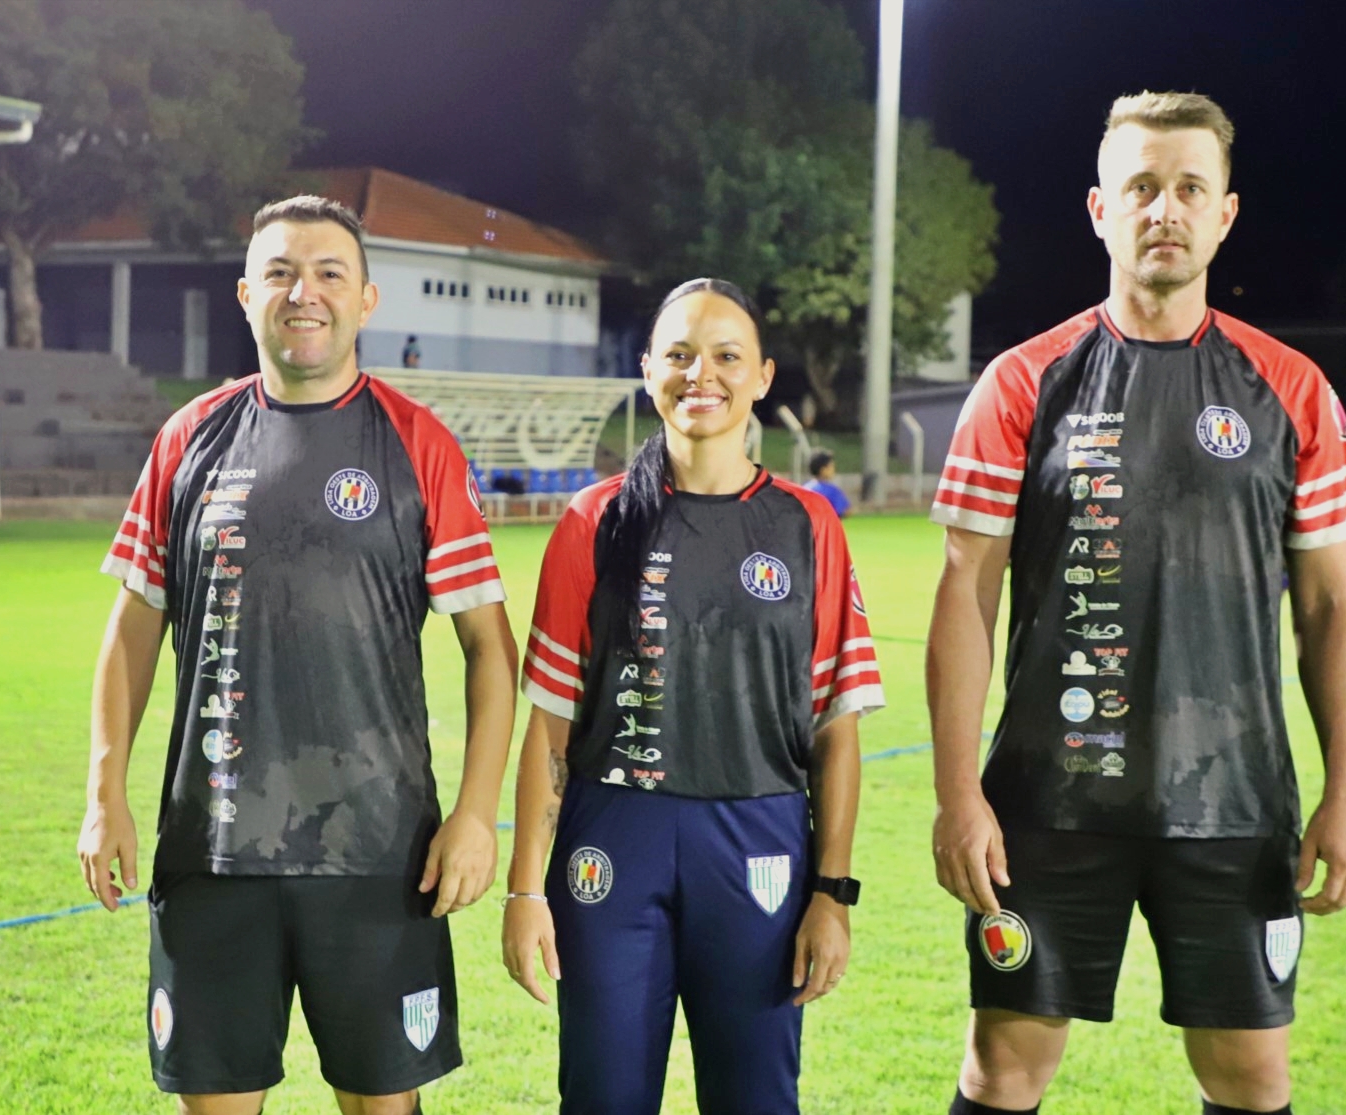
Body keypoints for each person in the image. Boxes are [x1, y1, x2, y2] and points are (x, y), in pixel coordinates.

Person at [926, 92, 1346, 1115]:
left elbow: (1330, 610)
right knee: (1003, 1066)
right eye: (1140, 187)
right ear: (1100, 209)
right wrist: (959, 793)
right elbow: (965, 596)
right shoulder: (1020, 383)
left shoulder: (1291, 387)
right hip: (1047, 805)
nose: (1164, 209)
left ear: (1224, 214)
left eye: (1188, 188)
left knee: (1251, 1074)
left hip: (1234, 805)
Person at [79, 195, 518, 1115]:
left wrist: (477, 812)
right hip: (211, 848)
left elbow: (489, 647)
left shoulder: (417, 444)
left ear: (366, 299)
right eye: (279, 272)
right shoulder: (188, 439)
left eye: (328, 273)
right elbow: (132, 628)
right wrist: (103, 792)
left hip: (378, 853)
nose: (303, 292)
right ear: (247, 295)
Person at [501, 277, 884, 1115]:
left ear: (762, 376)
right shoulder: (594, 520)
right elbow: (551, 725)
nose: (700, 374)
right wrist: (525, 890)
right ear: (648, 370)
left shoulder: (808, 525)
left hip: (758, 839)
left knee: (756, 1099)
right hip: (613, 839)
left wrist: (832, 891)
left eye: (726, 356)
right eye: (678, 354)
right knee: (602, 1098)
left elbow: (836, 726)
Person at [804, 448, 852, 519]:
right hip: (826, 525)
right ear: (823, 470)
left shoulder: (805, 488)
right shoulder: (831, 490)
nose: (833, 469)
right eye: (831, 466)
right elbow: (846, 511)